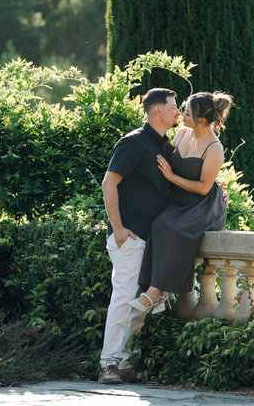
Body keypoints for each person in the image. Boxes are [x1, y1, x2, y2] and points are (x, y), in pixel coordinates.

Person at [98, 87, 181, 385]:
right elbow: (109, 184)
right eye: (173, 106)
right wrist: (118, 229)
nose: (178, 111)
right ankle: (108, 364)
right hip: (130, 237)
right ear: (157, 110)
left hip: (156, 240)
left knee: (140, 303)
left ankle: (126, 363)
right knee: (123, 298)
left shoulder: (166, 146)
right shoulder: (132, 142)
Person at [131, 92, 233, 314]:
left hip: (202, 205)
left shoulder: (214, 148)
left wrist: (171, 177)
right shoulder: (182, 133)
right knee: (158, 224)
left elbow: (204, 187)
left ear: (202, 120)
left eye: (187, 113)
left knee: (177, 229)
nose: (181, 114)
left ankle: (156, 292)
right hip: (178, 200)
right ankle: (156, 295)